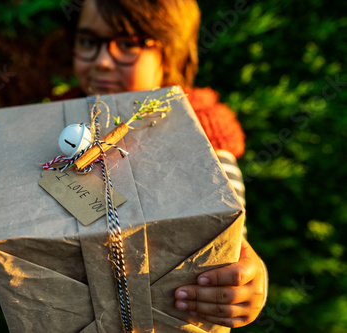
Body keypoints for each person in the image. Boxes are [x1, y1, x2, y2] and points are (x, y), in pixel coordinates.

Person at [58, 0, 268, 329]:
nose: (101, 61)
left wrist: (249, 280)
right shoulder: (59, 125)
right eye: (88, 42)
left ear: (170, 52)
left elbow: (228, 241)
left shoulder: (202, 134)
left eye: (127, 44)